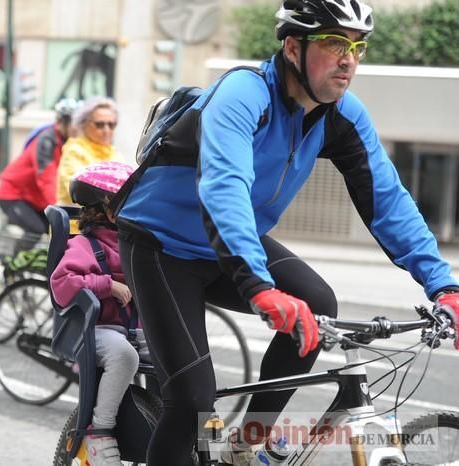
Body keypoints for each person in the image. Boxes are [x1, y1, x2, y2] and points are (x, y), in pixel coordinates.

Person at [115, 1, 459, 465]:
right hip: (161, 245)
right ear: (293, 47)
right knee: (193, 400)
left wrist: (445, 284)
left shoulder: (341, 114)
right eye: (335, 43)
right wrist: (259, 288)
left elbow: (388, 198)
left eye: (357, 46)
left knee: (318, 304)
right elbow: (224, 188)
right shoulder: (242, 93)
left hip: (228, 245)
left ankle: (247, 443)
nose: (349, 59)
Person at [50, 161, 149, 466]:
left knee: (182, 358)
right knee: (125, 357)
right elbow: (63, 284)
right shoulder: (84, 245)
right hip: (97, 328)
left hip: (132, 328)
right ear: (109, 209)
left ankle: (197, 429)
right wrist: (107, 285)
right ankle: (100, 432)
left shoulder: (134, 244)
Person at [0, 98, 79, 251]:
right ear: (63, 122)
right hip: (12, 194)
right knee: (36, 229)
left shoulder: (68, 143)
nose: (78, 130)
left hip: (33, 198)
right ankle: (15, 268)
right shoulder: (46, 141)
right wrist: (59, 207)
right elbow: (46, 178)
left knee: (63, 232)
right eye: (75, 124)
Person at [56, 97, 123, 206]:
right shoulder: (74, 150)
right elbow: (77, 190)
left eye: (111, 125)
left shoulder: (115, 154)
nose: (106, 130)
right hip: (76, 220)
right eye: (99, 124)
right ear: (83, 124)